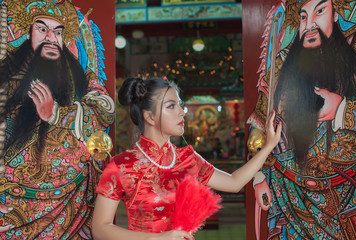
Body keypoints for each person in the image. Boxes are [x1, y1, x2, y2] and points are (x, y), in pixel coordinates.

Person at [92, 77, 281, 240]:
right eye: (171, 106)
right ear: (149, 116)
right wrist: (157, 238)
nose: (182, 112)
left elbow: (234, 183)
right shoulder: (122, 165)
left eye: (180, 105)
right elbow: (100, 228)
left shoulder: (187, 158)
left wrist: (268, 146)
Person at [0, 0, 115, 239]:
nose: (52, 38)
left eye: (58, 32)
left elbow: (105, 110)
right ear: (29, 33)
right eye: (43, 29)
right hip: (12, 205)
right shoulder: (8, 75)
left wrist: (56, 114)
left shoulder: (79, 78)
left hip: (74, 205)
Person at [248, 0, 356, 239]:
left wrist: (342, 109)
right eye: (302, 16)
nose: (309, 25)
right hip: (286, 192)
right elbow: (258, 128)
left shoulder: (355, 50)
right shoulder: (282, 62)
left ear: (336, 14)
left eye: (320, 11)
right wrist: (259, 177)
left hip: (345, 193)